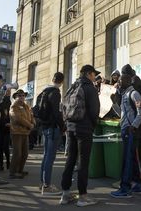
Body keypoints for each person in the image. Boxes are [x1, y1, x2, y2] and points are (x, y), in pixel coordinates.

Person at [60, 65, 100, 206]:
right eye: (94, 74)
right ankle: (83, 196)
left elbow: (63, 107)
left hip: (71, 128)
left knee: (70, 159)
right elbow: (95, 111)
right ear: (89, 74)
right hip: (84, 129)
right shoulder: (90, 88)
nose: (95, 77)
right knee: (83, 162)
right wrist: (92, 125)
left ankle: (65, 194)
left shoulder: (73, 87)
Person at [110, 74, 141, 198]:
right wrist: (114, 103)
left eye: (120, 80)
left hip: (131, 130)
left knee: (127, 159)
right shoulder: (125, 94)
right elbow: (123, 114)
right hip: (126, 129)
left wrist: (134, 126)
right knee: (132, 158)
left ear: (128, 81)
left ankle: (125, 188)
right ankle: (139, 185)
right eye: (118, 81)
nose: (118, 83)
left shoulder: (134, 94)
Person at [39, 72, 65, 195]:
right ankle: (47, 186)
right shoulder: (55, 93)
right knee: (50, 157)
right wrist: (62, 126)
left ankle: (42, 183)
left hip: (45, 127)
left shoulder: (45, 91)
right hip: (53, 127)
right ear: (62, 81)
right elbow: (56, 112)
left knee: (45, 156)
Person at [9, 89, 35, 179]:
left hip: (25, 132)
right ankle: (13, 172)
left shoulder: (26, 106)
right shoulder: (14, 106)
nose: (22, 97)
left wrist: (33, 123)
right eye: (19, 95)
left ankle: (20, 170)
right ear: (16, 97)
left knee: (25, 153)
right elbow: (17, 118)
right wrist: (29, 125)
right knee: (17, 153)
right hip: (16, 132)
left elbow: (31, 115)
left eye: (23, 95)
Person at [0, 90, 11, 171]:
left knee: (5, 148)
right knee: (2, 148)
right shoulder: (1, 105)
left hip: (6, 129)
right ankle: (3, 165)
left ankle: (6, 164)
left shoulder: (8, 104)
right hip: (1, 129)